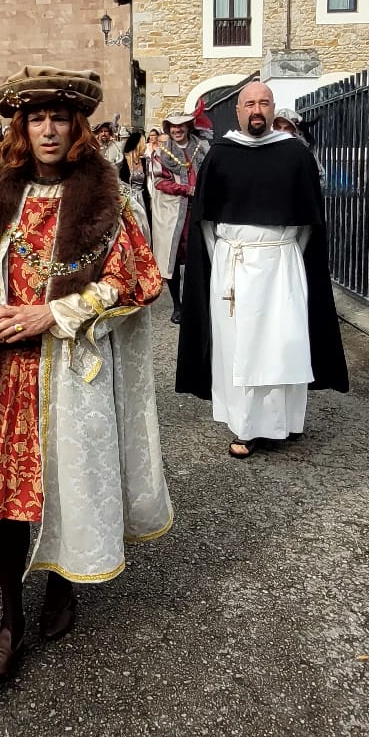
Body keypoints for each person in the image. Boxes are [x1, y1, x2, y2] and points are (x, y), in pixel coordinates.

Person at [0, 66, 172, 684]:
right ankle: (9, 621)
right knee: (7, 500)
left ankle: (64, 583)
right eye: (35, 118)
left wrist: (53, 313)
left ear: (77, 127)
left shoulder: (105, 201)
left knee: (66, 481)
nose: (47, 130)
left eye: (58, 118)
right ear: (20, 127)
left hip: (69, 371)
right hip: (5, 373)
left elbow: (131, 284)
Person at [176, 78, 348, 458]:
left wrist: (280, 255)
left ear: (273, 109)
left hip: (281, 265)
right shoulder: (220, 154)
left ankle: (283, 423)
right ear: (238, 111)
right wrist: (226, 259)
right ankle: (247, 426)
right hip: (234, 267)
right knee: (239, 345)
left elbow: (308, 224)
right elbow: (206, 223)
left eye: (264, 103)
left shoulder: (295, 155)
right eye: (249, 103)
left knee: (282, 343)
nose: (257, 110)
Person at [149, 109, 209, 323]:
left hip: (199, 209)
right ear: (169, 128)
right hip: (173, 212)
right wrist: (185, 189)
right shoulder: (161, 153)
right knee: (173, 259)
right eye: (174, 126)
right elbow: (159, 182)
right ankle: (178, 305)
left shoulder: (202, 148)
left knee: (199, 256)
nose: (177, 129)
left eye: (181, 125)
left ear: (188, 126)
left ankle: (197, 303)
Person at [117, 129, 151, 236]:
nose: (145, 146)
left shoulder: (145, 161)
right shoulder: (124, 160)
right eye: (143, 143)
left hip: (142, 197)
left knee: (144, 226)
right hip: (129, 197)